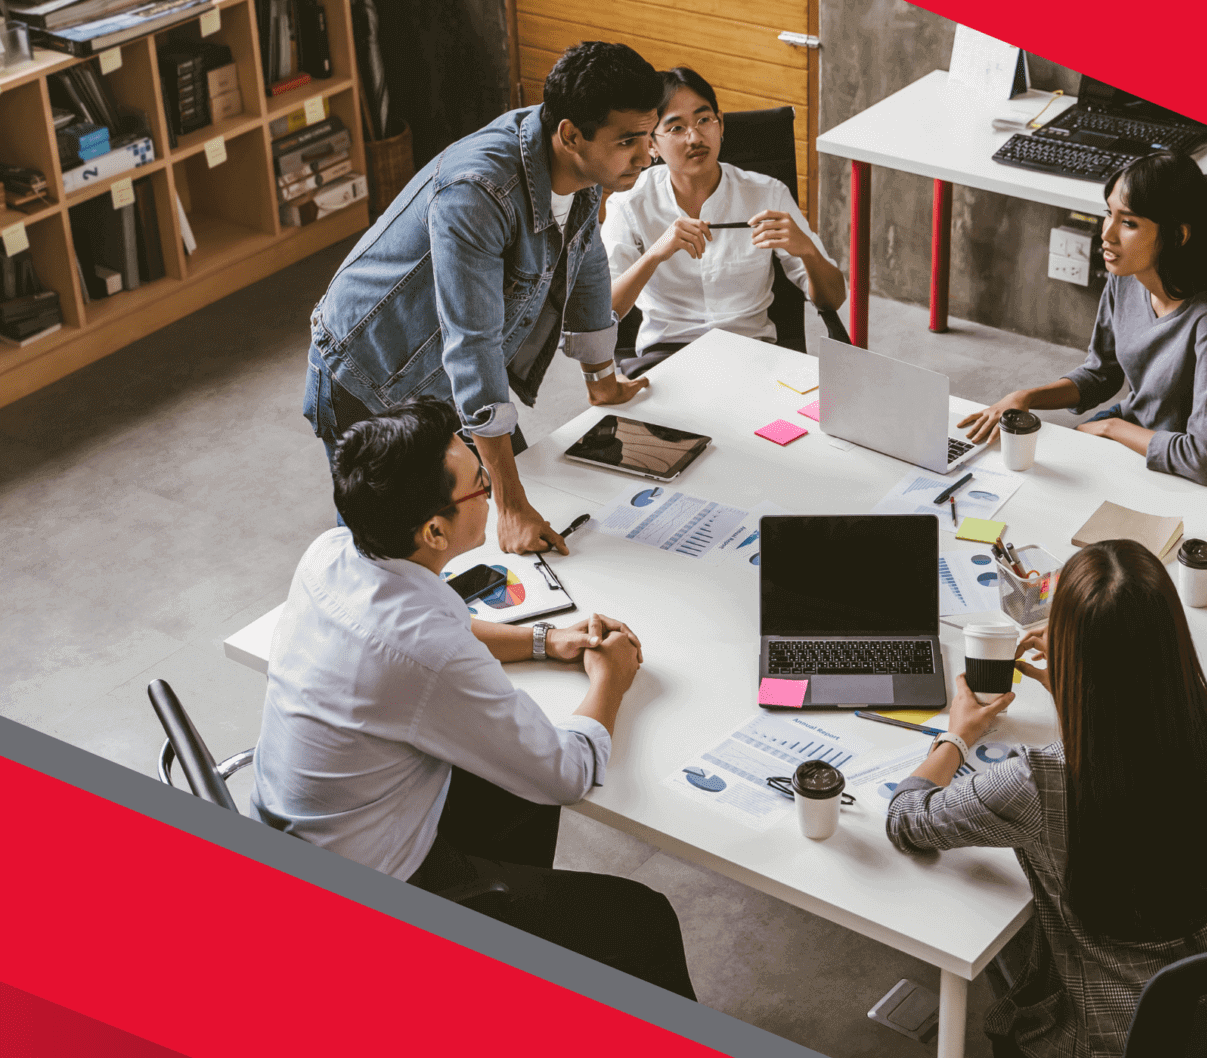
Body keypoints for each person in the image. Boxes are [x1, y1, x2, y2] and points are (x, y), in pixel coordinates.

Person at [250, 397, 697, 1000]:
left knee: (518, 780)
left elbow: (441, 634)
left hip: (303, 842)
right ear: (434, 530)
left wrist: (545, 640)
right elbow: (567, 773)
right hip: (374, 894)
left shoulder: (331, 555)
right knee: (640, 919)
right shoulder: (424, 653)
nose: (490, 488)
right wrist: (609, 679)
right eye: (481, 483)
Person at [887, 540, 1207, 1058]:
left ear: (1069, 649)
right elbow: (1142, 770)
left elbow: (908, 818)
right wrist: (1085, 687)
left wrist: (957, 737)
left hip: (1117, 1034)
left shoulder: (1038, 782)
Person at [303, 42, 661, 557]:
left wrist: (601, 379)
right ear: (570, 135)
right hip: (370, 374)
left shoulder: (579, 164)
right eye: (630, 140)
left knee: (491, 513)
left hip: (444, 374)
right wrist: (511, 505)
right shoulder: (478, 191)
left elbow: (585, 254)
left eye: (648, 136)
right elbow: (472, 345)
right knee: (388, 555)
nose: (647, 156)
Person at [960, 152, 1207, 486]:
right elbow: (1101, 374)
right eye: (1108, 214)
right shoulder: (1128, 275)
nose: (1107, 235)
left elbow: (1204, 461)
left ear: (1177, 235)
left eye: (1128, 223)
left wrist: (1111, 428)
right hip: (1143, 437)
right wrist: (1025, 397)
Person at [601, 66, 845, 378]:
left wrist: (808, 251)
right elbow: (604, 312)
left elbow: (834, 299)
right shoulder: (629, 203)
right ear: (651, 144)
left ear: (721, 124)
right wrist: (654, 255)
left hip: (756, 358)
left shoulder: (767, 193)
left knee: (801, 426)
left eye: (704, 120)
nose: (695, 137)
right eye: (676, 128)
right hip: (666, 362)